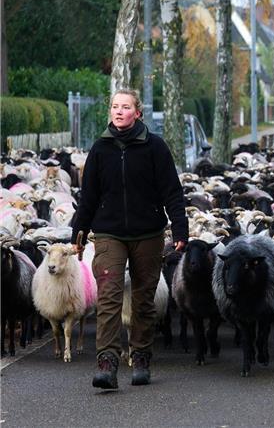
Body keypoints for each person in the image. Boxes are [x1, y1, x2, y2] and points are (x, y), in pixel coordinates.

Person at [71, 89, 188, 390]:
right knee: (108, 295)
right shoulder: (100, 149)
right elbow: (89, 196)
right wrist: (78, 233)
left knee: (143, 299)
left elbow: (172, 191)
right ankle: (107, 363)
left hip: (147, 233)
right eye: (114, 106)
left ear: (137, 113)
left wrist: (180, 228)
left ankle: (140, 357)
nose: (118, 111)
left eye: (125, 107)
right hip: (109, 232)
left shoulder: (155, 147)